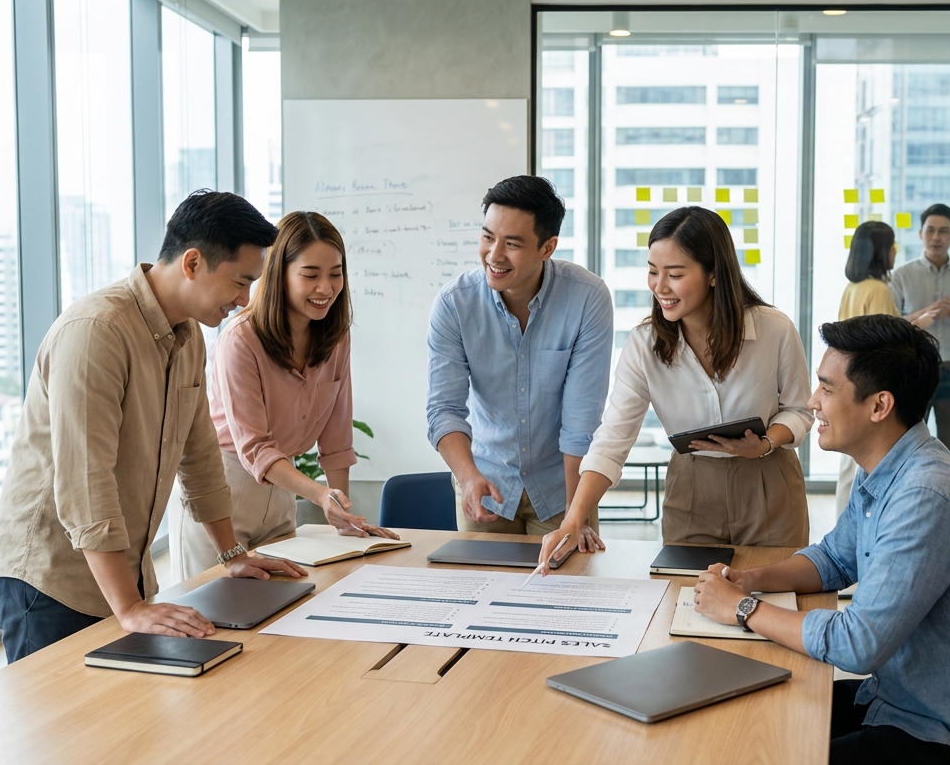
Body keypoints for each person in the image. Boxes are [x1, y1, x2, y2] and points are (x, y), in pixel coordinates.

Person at [693, 315, 950, 765]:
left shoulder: (925, 494)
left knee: (771, 747)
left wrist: (743, 609)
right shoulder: (884, 466)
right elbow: (834, 558)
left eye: (827, 388)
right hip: (899, 701)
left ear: (879, 406)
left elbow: (859, 644)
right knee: (750, 719)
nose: (813, 402)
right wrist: (749, 579)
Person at [0, 191, 305, 663]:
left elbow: (199, 459)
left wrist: (231, 556)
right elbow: (85, 483)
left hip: (118, 575)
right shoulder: (98, 332)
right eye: (240, 282)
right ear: (193, 262)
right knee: (59, 732)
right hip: (53, 577)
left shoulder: (189, 336)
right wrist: (129, 607)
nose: (245, 300)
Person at [539, 206, 813, 563]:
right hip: (691, 486)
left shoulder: (774, 329)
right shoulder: (644, 345)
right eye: (653, 272)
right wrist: (574, 519)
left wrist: (764, 444)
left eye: (675, 274)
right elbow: (612, 438)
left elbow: (800, 411)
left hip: (770, 482)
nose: (660, 286)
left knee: (775, 597)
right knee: (688, 600)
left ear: (714, 273)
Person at [170, 211, 398, 580]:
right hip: (222, 487)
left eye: (335, 274)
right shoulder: (240, 339)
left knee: (283, 603)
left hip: (282, 486)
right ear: (279, 274)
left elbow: (337, 439)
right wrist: (320, 496)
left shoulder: (335, 336)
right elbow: (255, 448)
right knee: (216, 610)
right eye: (310, 276)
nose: (325, 288)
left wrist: (342, 513)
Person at [427, 175, 613, 537]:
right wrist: (468, 478)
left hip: (562, 489)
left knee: (569, 591)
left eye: (511, 243)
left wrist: (576, 517)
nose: (494, 255)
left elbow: (581, 423)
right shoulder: (454, 304)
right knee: (481, 590)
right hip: (485, 484)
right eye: (487, 237)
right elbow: (444, 410)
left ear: (547, 247)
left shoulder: (587, 298)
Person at [834, 221, 928, 514]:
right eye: (893, 246)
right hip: (871, 388)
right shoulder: (879, 289)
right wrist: (918, 327)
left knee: (849, 466)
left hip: (849, 383)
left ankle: (843, 533)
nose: (895, 252)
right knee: (869, 467)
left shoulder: (853, 287)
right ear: (883, 251)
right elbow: (886, 345)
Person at [889, 204, 950, 463]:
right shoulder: (902, 275)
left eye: (944, 231)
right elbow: (891, 325)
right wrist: (927, 312)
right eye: (931, 230)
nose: (936, 237)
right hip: (913, 371)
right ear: (920, 233)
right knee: (905, 445)